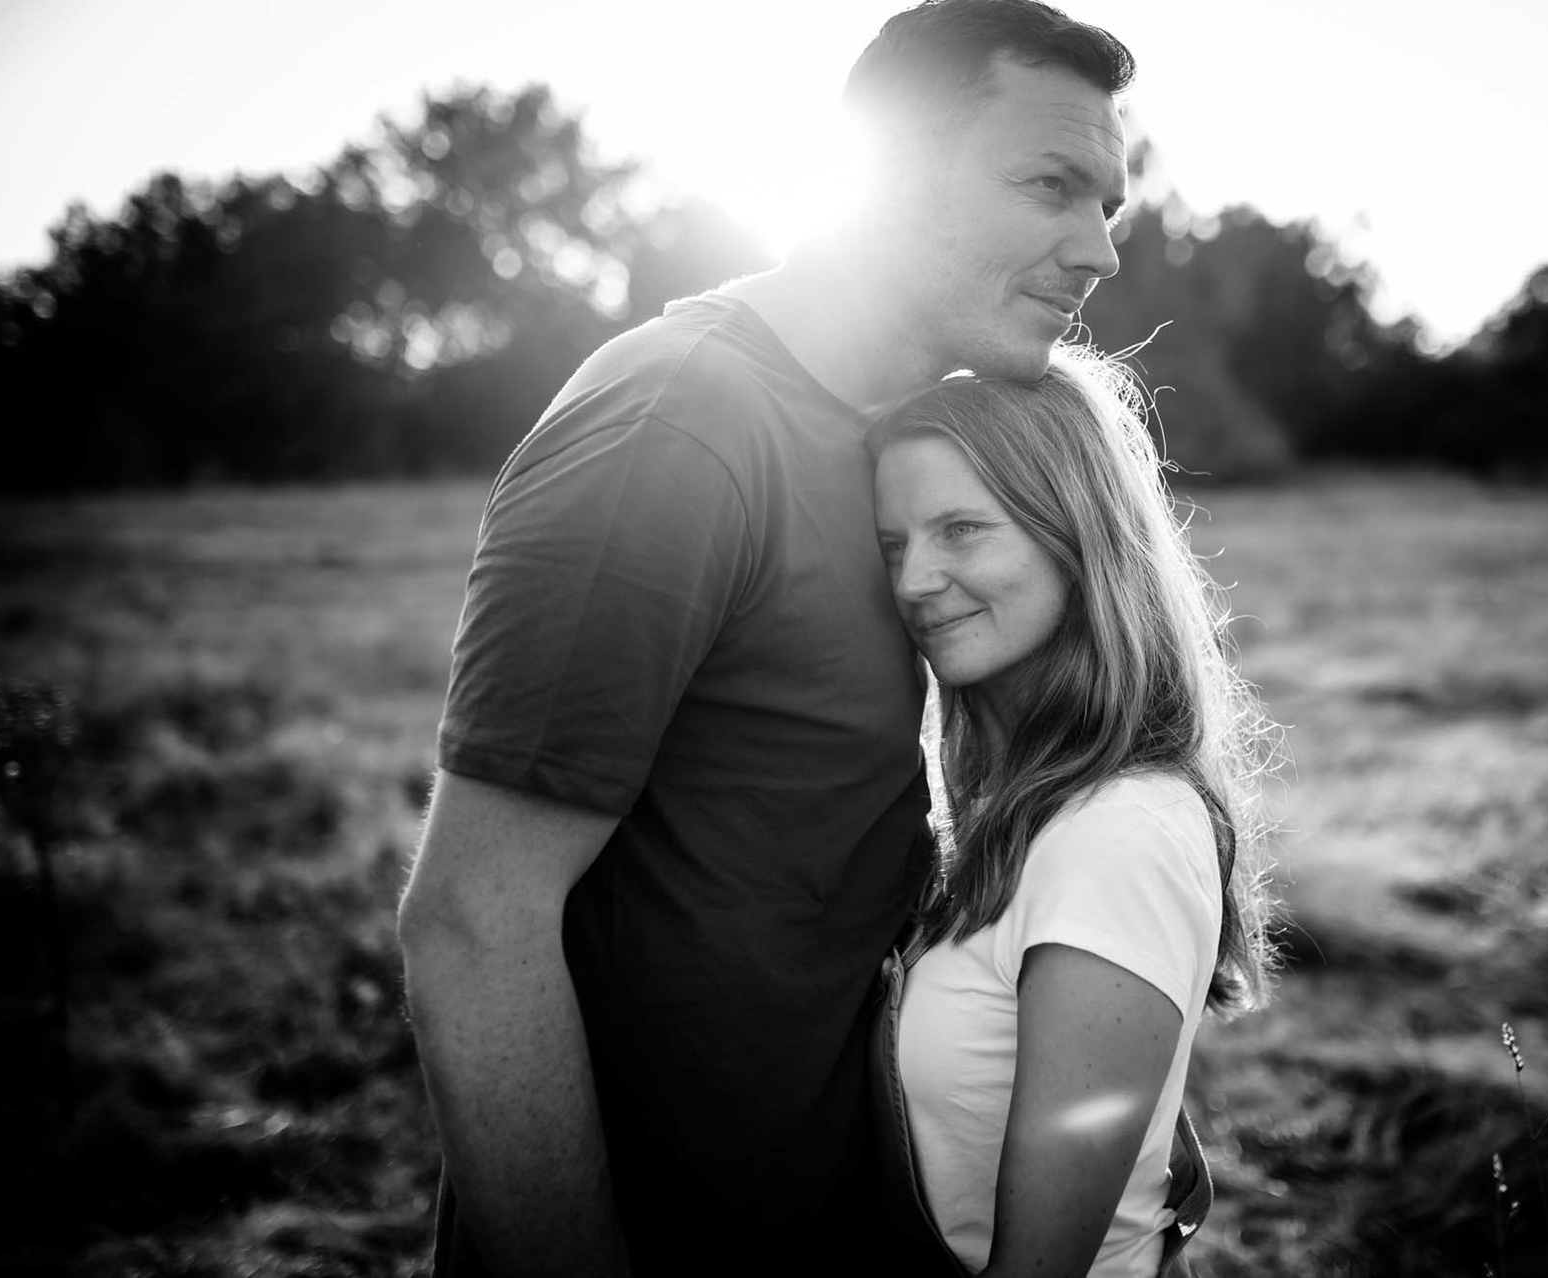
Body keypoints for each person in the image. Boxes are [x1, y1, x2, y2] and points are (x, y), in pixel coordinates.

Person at [393, 2, 1134, 1275]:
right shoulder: (675, 432)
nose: (1101, 251)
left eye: (1110, 203)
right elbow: (472, 922)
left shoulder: (898, 442)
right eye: (1052, 186)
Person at [869, 346, 1278, 1277]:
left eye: (962, 530)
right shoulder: (1025, 808)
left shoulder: (1119, 833)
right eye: (895, 545)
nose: (912, 582)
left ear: (1075, 536)